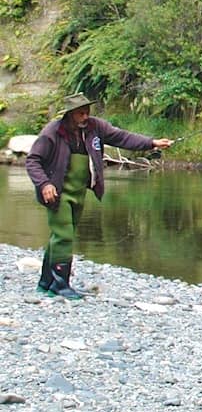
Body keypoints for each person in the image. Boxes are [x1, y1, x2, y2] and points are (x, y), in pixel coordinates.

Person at [25, 93, 174, 299]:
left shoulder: (95, 127)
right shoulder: (53, 131)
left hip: (78, 194)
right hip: (56, 194)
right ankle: (60, 285)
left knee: (61, 236)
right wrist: (44, 184)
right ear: (69, 114)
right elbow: (32, 160)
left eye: (87, 112)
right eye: (80, 113)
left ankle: (46, 282)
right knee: (64, 235)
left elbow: (122, 137)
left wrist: (152, 143)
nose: (85, 116)